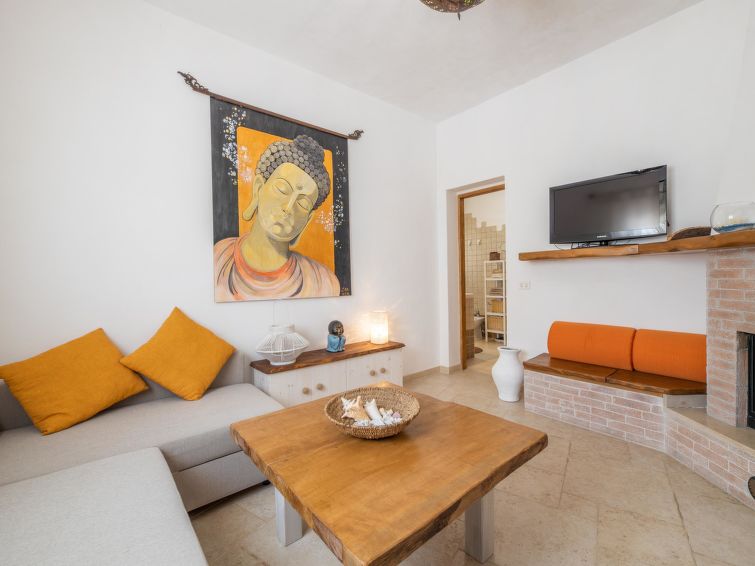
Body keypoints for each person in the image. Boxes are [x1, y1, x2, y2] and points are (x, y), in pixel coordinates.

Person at [214, 135, 340, 301]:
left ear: (307, 220)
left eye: (303, 203)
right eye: (282, 189)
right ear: (258, 189)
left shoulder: (323, 282)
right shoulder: (218, 258)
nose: (288, 208)